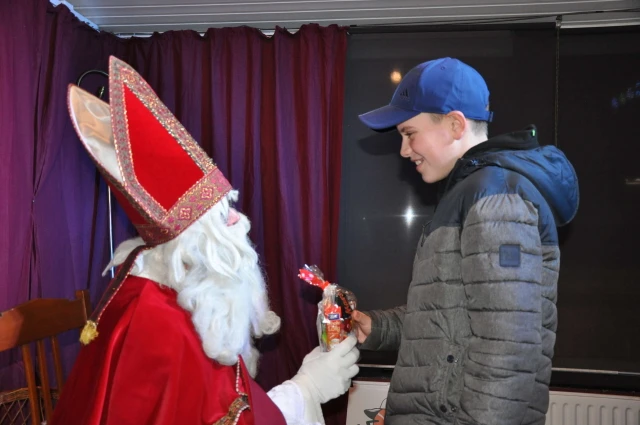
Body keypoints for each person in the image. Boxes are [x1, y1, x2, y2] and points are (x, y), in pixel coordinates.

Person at [50, 56, 359, 425]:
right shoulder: (161, 323)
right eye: (221, 213)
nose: (239, 220)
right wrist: (305, 390)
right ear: (185, 236)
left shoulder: (179, 293)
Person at [351, 57, 579, 425]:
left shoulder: (497, 199)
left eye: (410, 133)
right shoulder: (470, 193)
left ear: (455, 125)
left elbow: (507, 349)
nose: (404, 150)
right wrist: (378, 328)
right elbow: (449, 318)